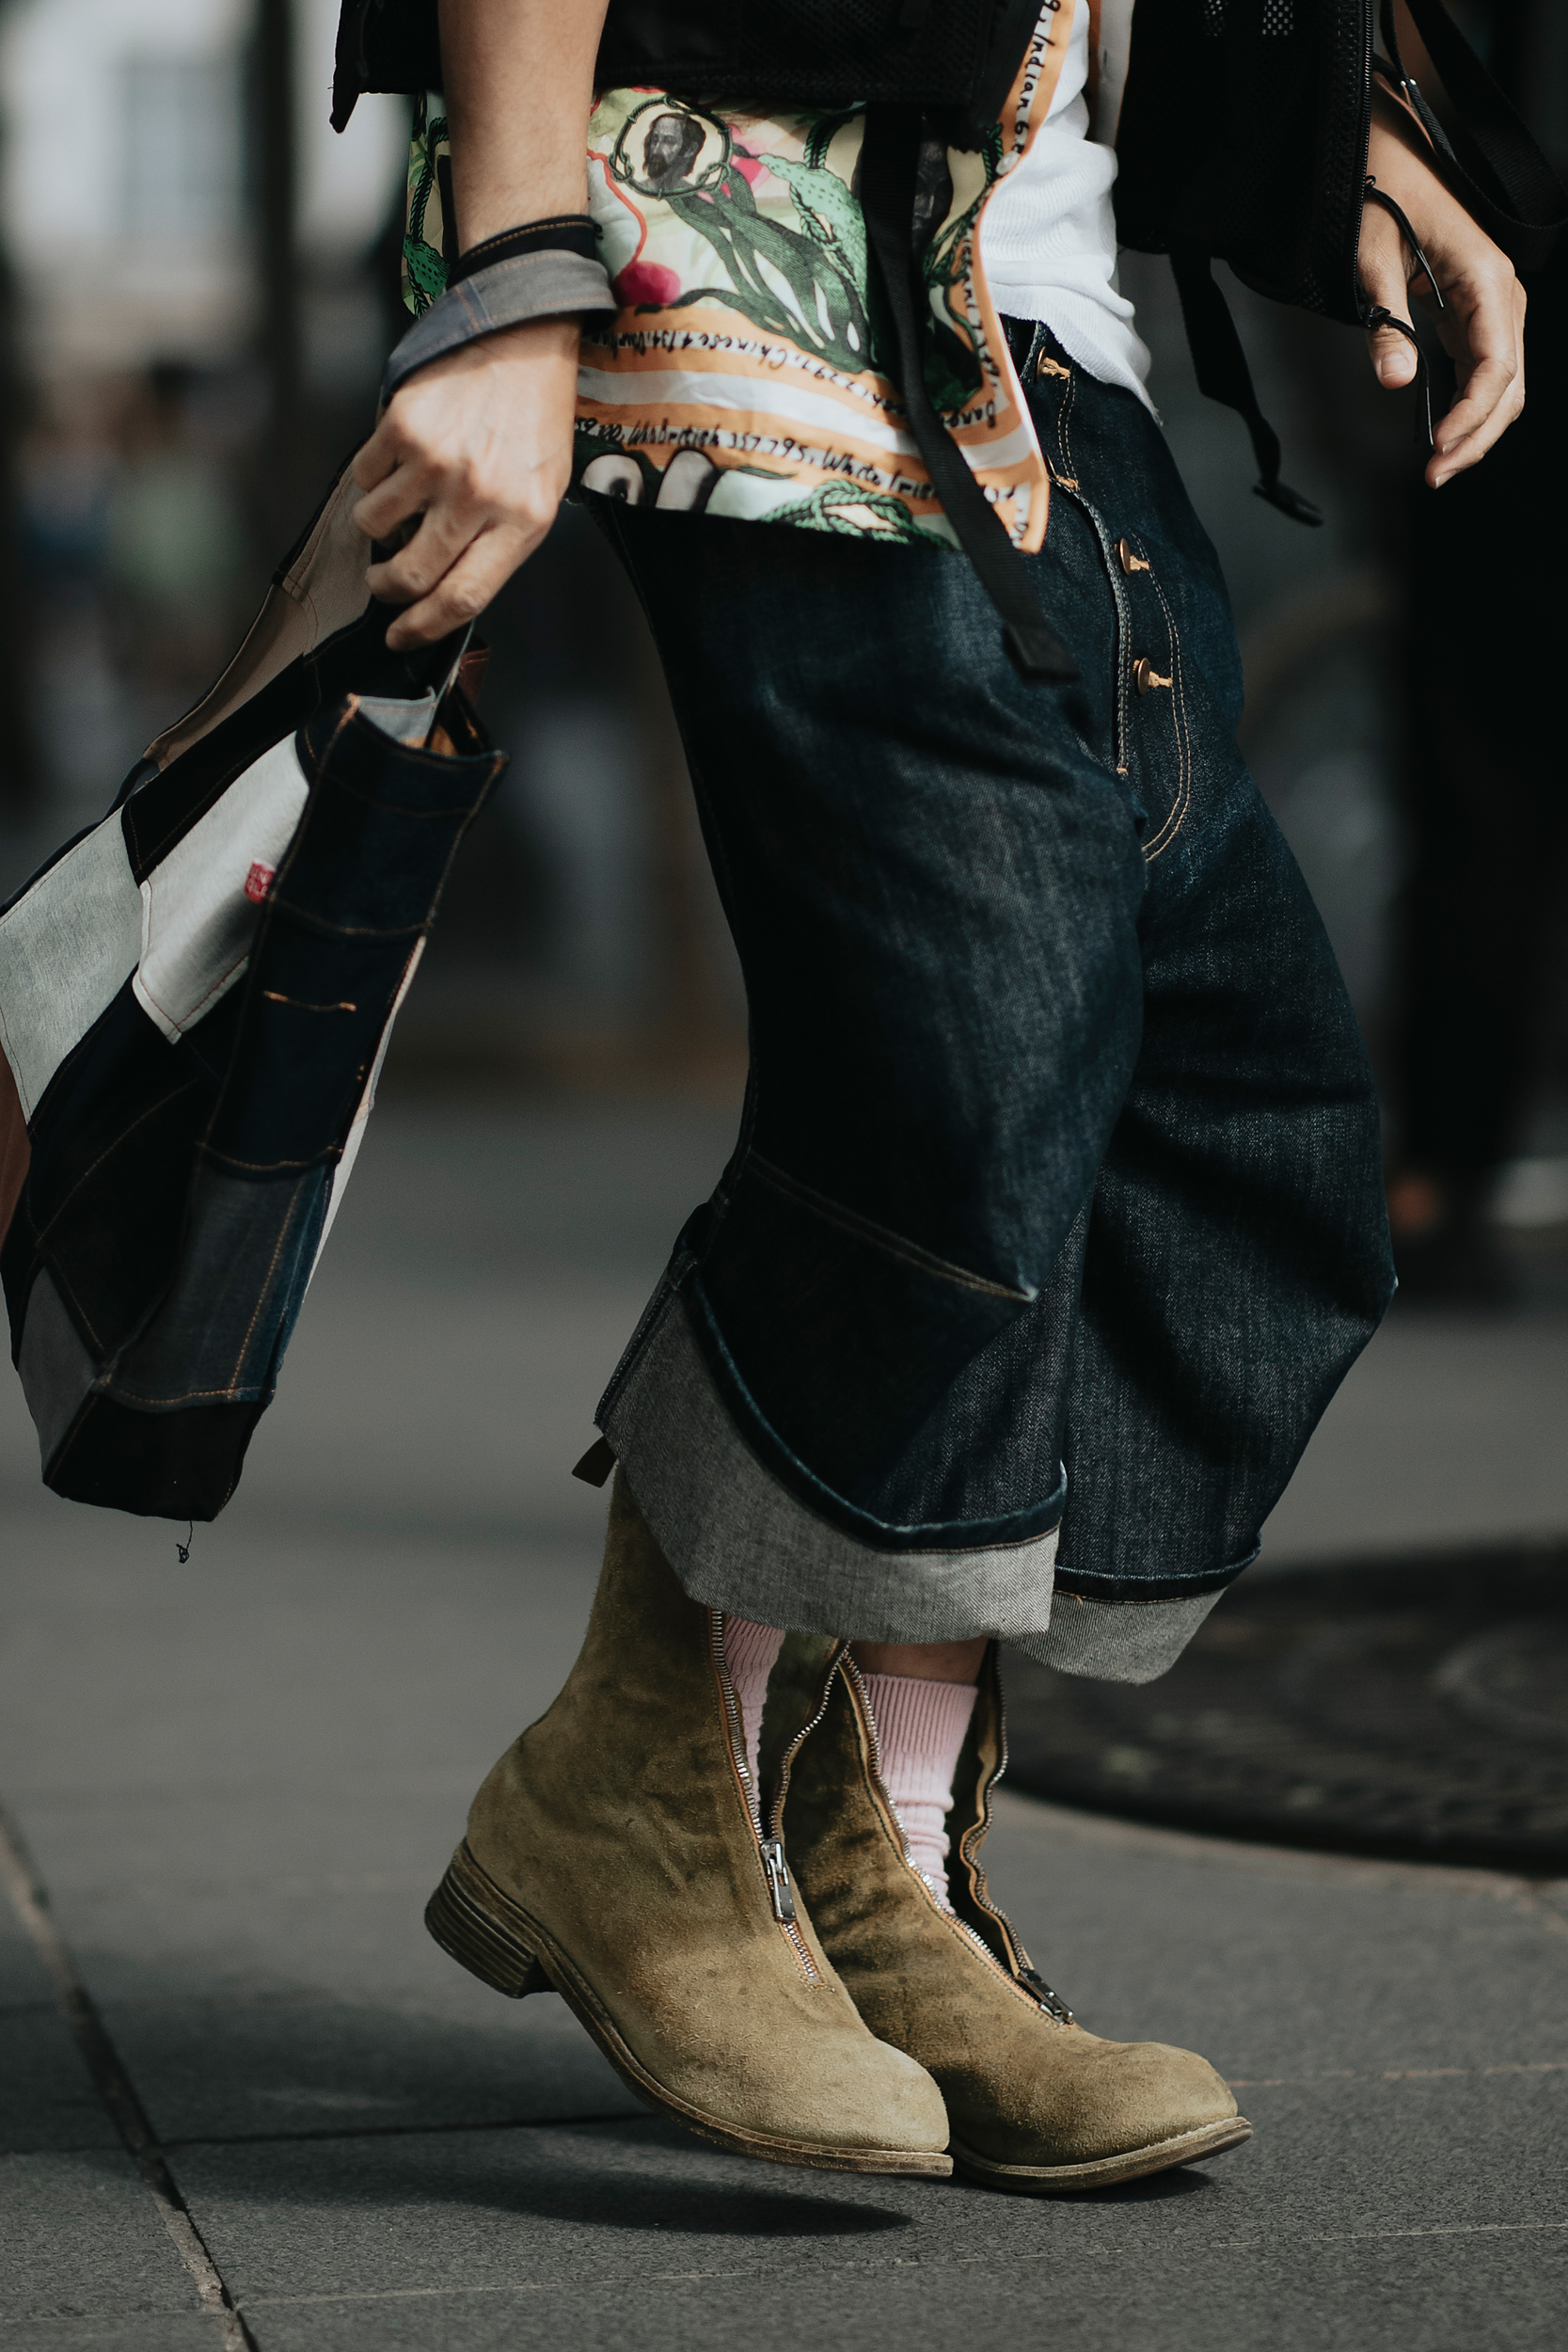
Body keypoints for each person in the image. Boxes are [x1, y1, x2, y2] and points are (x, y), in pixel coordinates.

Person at [347, 0, 1530, 2189]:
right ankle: (645, 1801)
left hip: (1038, 295)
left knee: (1233, 1098)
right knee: (975, 1041)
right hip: (740, 208)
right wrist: (507, 265)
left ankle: (870, 1875)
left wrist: (1344, 129)